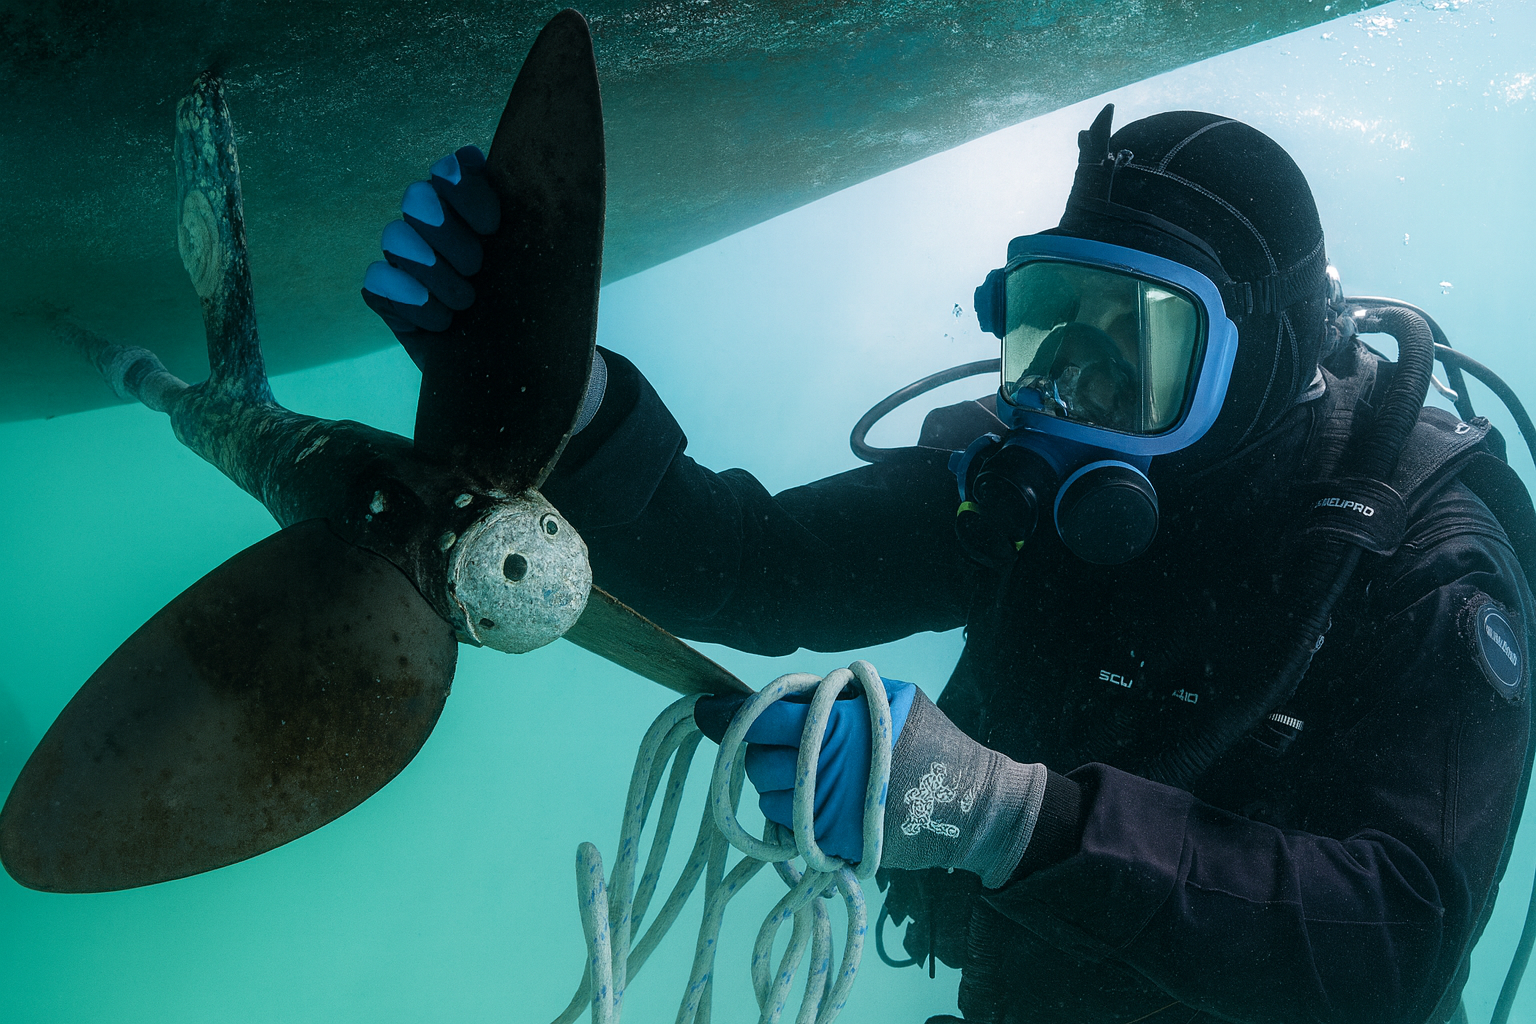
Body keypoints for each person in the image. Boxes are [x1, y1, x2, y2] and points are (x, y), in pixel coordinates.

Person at [362, 107, 1536, 1024]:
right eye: (1049, 320)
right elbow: (754, 568)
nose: (1072, 387)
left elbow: (1392, 944)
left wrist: (996, 814)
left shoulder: (1421, 564)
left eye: (1135, 343)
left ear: (1264, 353)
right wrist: (551, 391)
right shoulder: (1024, 478)